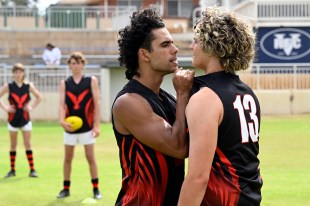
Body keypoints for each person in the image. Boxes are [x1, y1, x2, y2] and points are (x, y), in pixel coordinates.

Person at [178, 7, 263, 206]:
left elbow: (198, 177)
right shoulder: (247, 92)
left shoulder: (206, 98)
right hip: (250, 197)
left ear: (211, 46)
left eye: (196, 41)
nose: (191, 46)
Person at [112, 5, 194, 206]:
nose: (175, 49)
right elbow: (179, 146)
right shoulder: (128, 102)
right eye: (165, 44)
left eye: (173, 43)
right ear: (145, 54)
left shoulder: (167, 99)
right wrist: (183, 93)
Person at [57, 52, 102, 199]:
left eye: (78, 62)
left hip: (87, 127)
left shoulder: (91, 81)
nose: (75, 65)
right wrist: (61, 121)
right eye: (72, 63)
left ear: (83, 64)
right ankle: (65, 188)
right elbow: (62, 105)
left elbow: (96, 103)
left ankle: (96, 189)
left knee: (90, 157)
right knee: (68, 158)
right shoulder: (65, 83)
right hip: (69, 128)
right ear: (69, 65)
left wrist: (97, 125)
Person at [0, 63, 42, 178]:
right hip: (12, 119)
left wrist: (31, 107)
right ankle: (12, 170)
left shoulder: (28, 86)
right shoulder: (8, 86)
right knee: (13, 145)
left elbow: (39, 97)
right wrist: (6, 108)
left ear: (23, 73)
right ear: (13, 74)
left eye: (20, 72)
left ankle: (32, 169)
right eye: (16, 72)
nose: (18, 74)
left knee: (28, 144)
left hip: (25, 118)